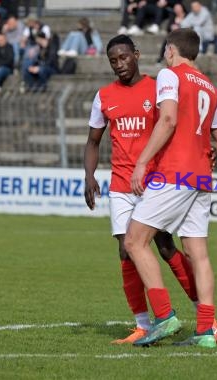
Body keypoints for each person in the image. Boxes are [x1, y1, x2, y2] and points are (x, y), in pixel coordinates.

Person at [84, 34, 205, 344]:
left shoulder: (159, 86)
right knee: (126, 250)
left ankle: (204, 314)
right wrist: (89, 176)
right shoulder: (104, 96)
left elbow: (175, 124)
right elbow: (93, 141)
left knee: (165, 247)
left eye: (124, 57)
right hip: (122, 185)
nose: (119, 64)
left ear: (136, 55)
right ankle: (143, 323)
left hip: (156, 181)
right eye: (113, 60)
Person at [125, 28, 217, 348]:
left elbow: (167, 119)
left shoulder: (170, 75)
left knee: (135, 241)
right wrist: (204, 153)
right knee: (198, 254)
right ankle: (205, 333)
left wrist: (142, 162)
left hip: (174, 173)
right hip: (200, 177)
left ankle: (164, 316)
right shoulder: (210, 86)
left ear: (171, 49)